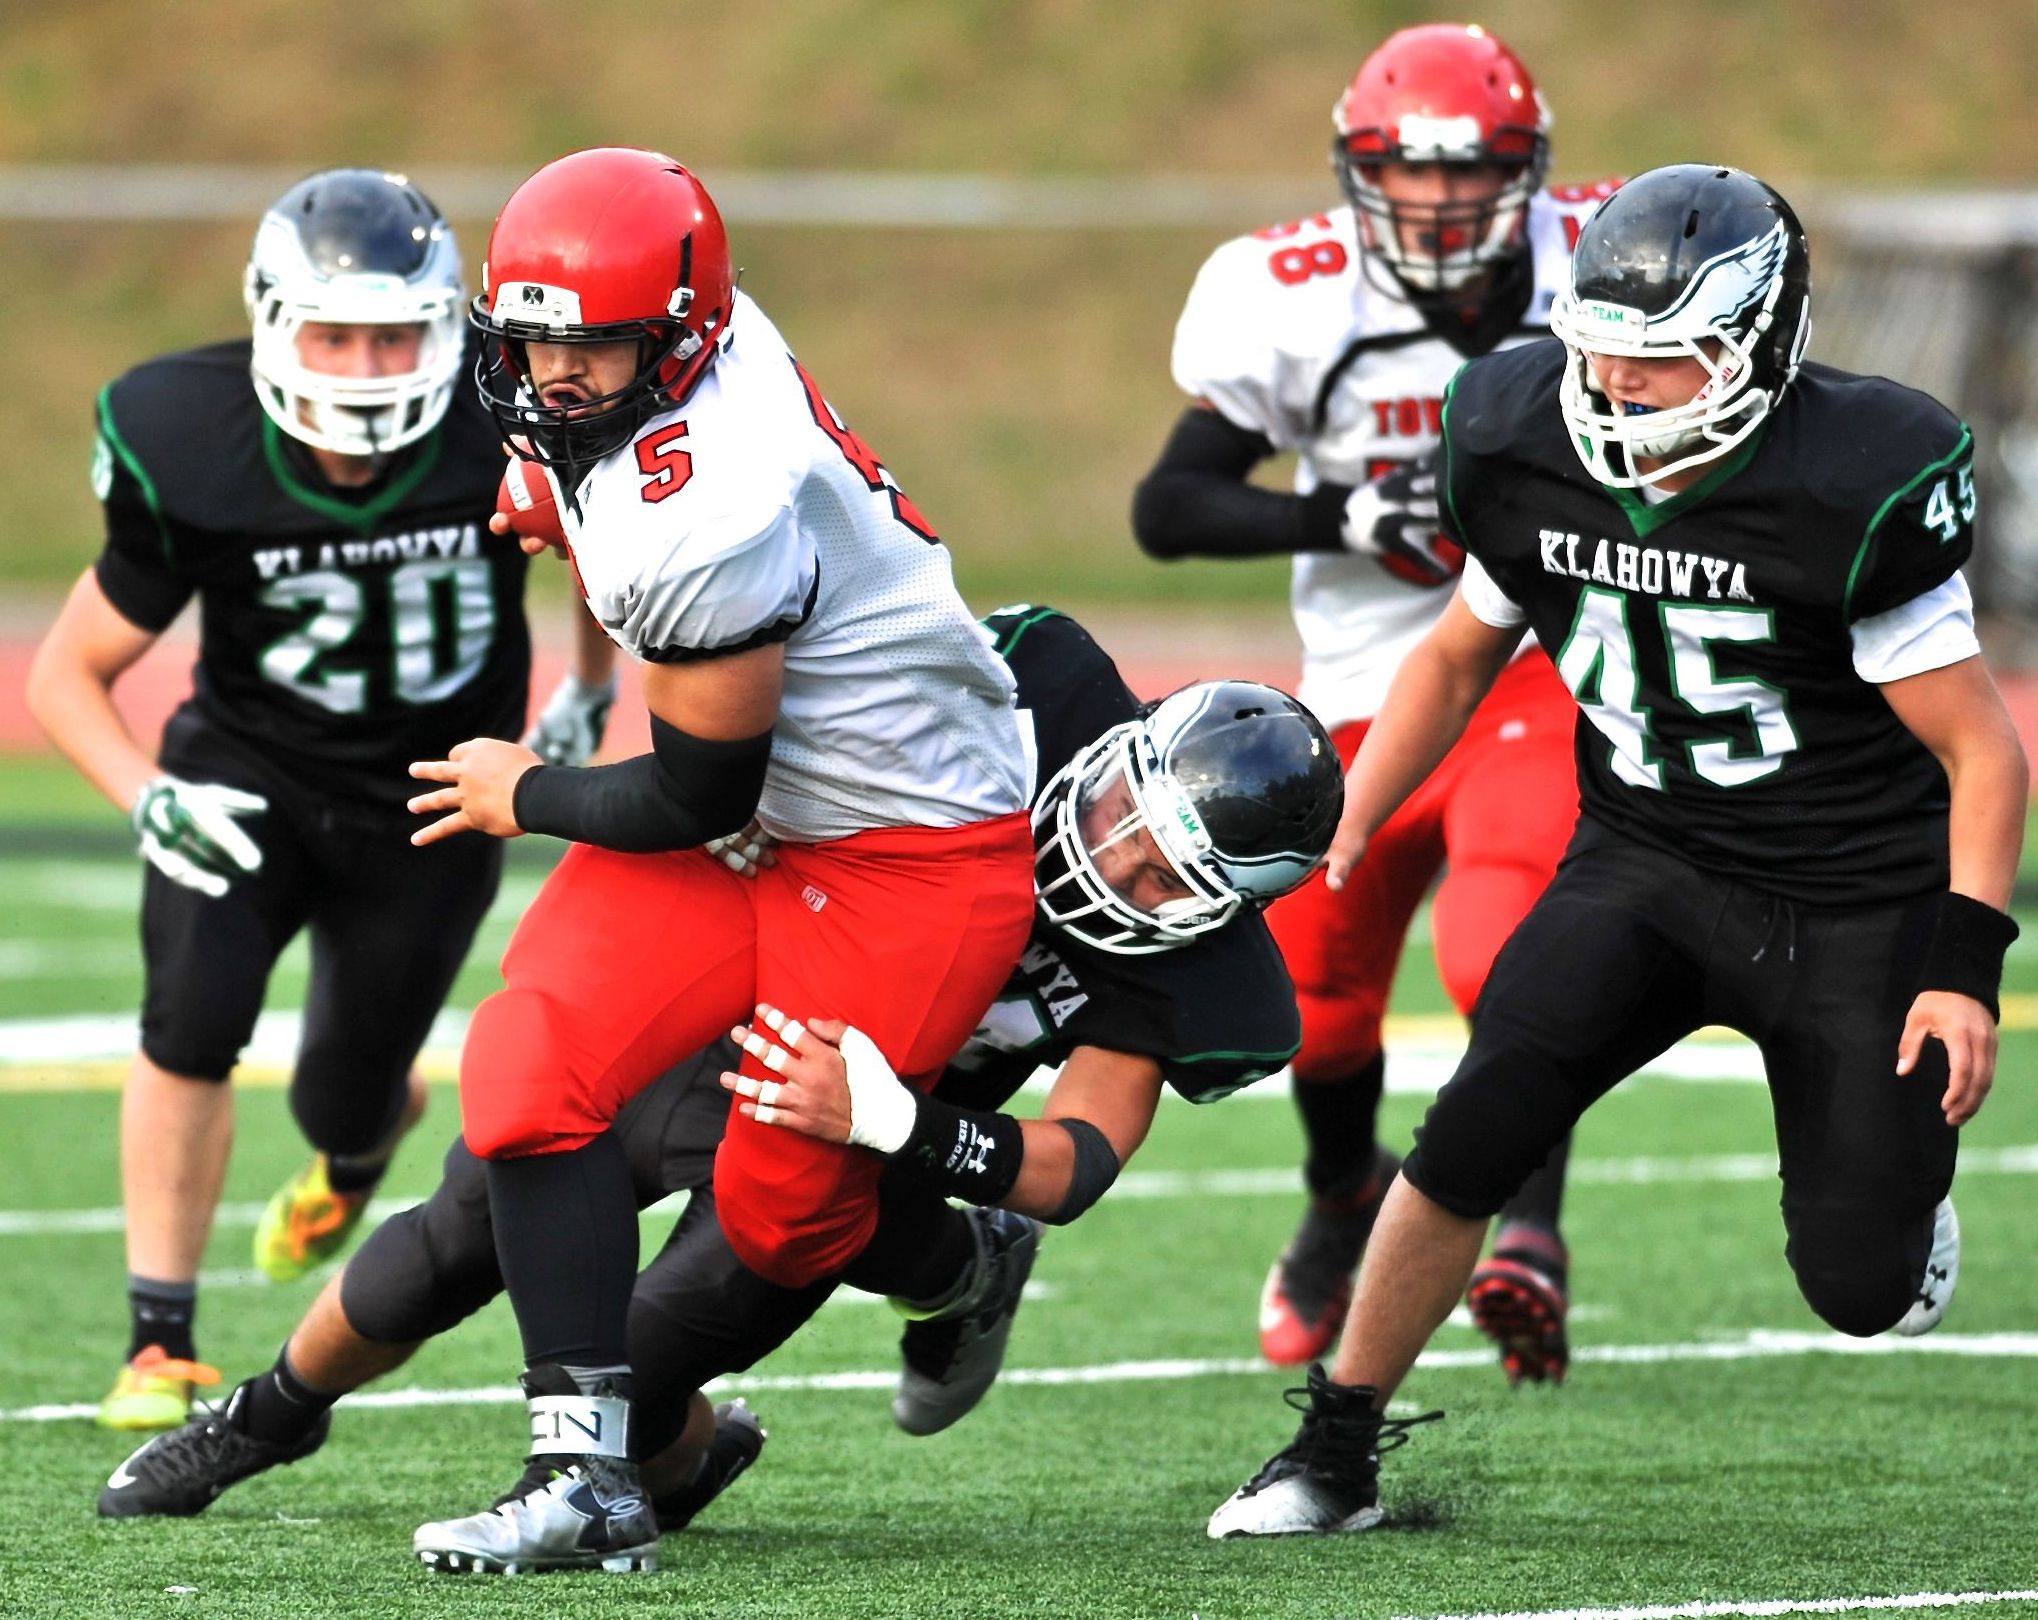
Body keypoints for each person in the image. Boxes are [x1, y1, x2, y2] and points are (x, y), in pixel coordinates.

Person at [98, 608, 1344, 1568]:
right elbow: (810, 700)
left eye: (1169, 878)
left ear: (1232, 911)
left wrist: (902, 1120)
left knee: (626, 1397)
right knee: (465, 1218)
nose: (1115, 857)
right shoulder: (1033, 684)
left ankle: (949, 1275)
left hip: (866, 1122)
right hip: (740, 987)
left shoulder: (1204, 986)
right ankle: (265, 1418)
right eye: (1130, 811)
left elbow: (1075, 1162)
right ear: (1121, 749)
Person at [1206, 163, 2026, 1540]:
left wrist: (1959, 968)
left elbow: (1981, 751)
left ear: (1761, 345)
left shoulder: (1854, 476)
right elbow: (1459, 656)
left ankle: (1897, 1222)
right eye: (1602, 353)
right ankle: (1331, 1454)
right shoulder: (1521, 428)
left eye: (1662, 361)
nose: (1619, 389)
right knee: (1468, 1133)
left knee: (1855, 1288)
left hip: (1850, 899)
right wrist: (1353, 815)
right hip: (1643, 859)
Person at [391, 147, 1042, 1575]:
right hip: (766, 812)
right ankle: (585, 1479)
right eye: (533, 337)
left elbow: (691, 790)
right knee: (525, 1069)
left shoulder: (707, 503)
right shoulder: (673, 363)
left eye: (592, 344)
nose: (554, 374)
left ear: (678, 337)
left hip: (902, 845)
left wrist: (526, 788)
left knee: (780, 1199)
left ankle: (959, 1258)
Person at [25, 167, 618, 1435]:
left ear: (450, 328)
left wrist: (587, 683)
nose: (361, 365)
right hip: (250, 773)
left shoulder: (507, 416)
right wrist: (145, 798)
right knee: (192, 1017)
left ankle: (355, 1153)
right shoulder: (186, 431)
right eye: (333, 331)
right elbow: (69, 671)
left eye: (394, 333)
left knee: (348, 1093)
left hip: (438, 790)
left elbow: (594, 543)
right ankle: (158, 1342)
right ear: (272, 322)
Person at [1131, 22, 1610, 1383]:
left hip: (1537, 667)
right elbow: (1167, 508)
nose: (1445, 205)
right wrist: (1343, 511)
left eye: (1474, 177)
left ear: (1529, 176)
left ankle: (1530, 1234)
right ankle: (1343, 1196)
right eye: (1409, 176)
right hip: (1361, 687)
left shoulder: (1598, 271)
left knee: (1501, 941)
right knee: (1317, 996)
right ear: (1358, 175)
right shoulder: (1295, 295)